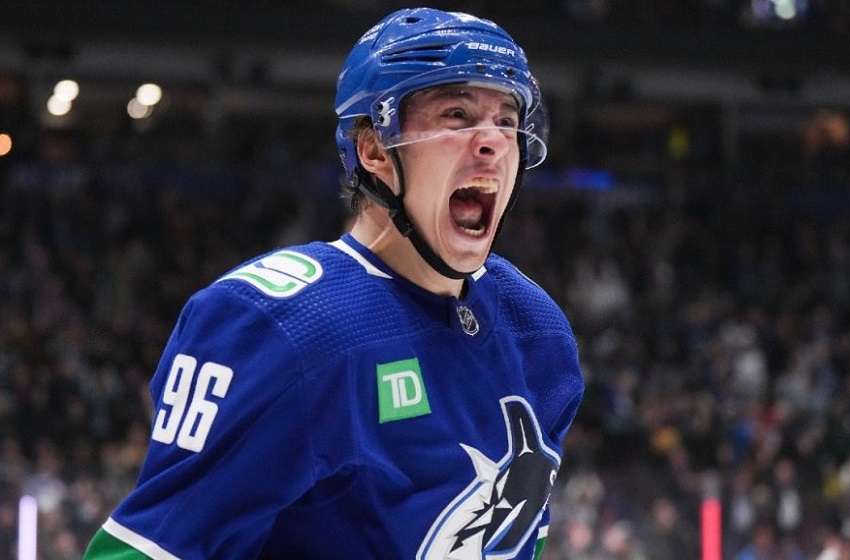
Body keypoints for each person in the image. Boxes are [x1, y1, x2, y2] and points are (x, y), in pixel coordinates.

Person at [83, 7, 585, 559]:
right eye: (456, 115)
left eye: (507, 120)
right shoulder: (276, 325)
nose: (492, 141)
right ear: (374, 150)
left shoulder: (537, 331)